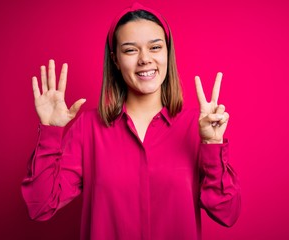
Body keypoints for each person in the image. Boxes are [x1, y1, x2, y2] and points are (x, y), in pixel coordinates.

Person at [21, 2, 241, 240]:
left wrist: (212, 145)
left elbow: (227, 213)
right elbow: (41, 206)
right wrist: (51, 132)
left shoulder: (197, 127)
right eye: (130, 50)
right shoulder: (87, 128)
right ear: (115, 60)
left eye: (155, 47)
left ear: (167, 52)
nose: (145, 59)